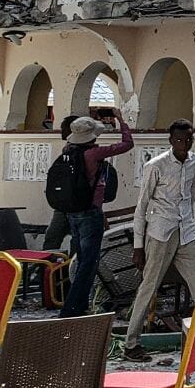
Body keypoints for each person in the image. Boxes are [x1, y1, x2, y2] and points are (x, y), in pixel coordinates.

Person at [124, 120, 195, 361]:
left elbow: (190, 198)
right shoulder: (156, 166)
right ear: (170, 140)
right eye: (179, 140)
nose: (183, 145)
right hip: (159, 233)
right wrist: (138, 246)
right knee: (149, 287)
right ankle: (131, 344)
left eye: (188, 140)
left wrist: (192, 226)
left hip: (186, 232)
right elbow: (142, 207)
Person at [59, 113, 133, 318]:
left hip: (73, 212)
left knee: (83, 259)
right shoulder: (94, 154)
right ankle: (72, 308)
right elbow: (127, 144)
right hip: (91, 212)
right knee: (88, 263)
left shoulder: (68, 151)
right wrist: (121, 121)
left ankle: (78, 304)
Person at [41, 115, 79, 252]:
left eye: (64, 128)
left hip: (77, 203)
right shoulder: (68, 149)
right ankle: (48, 268)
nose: (61, 131)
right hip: (63, 203)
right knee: (52, 236)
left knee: (75, 240)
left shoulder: (80, 151)